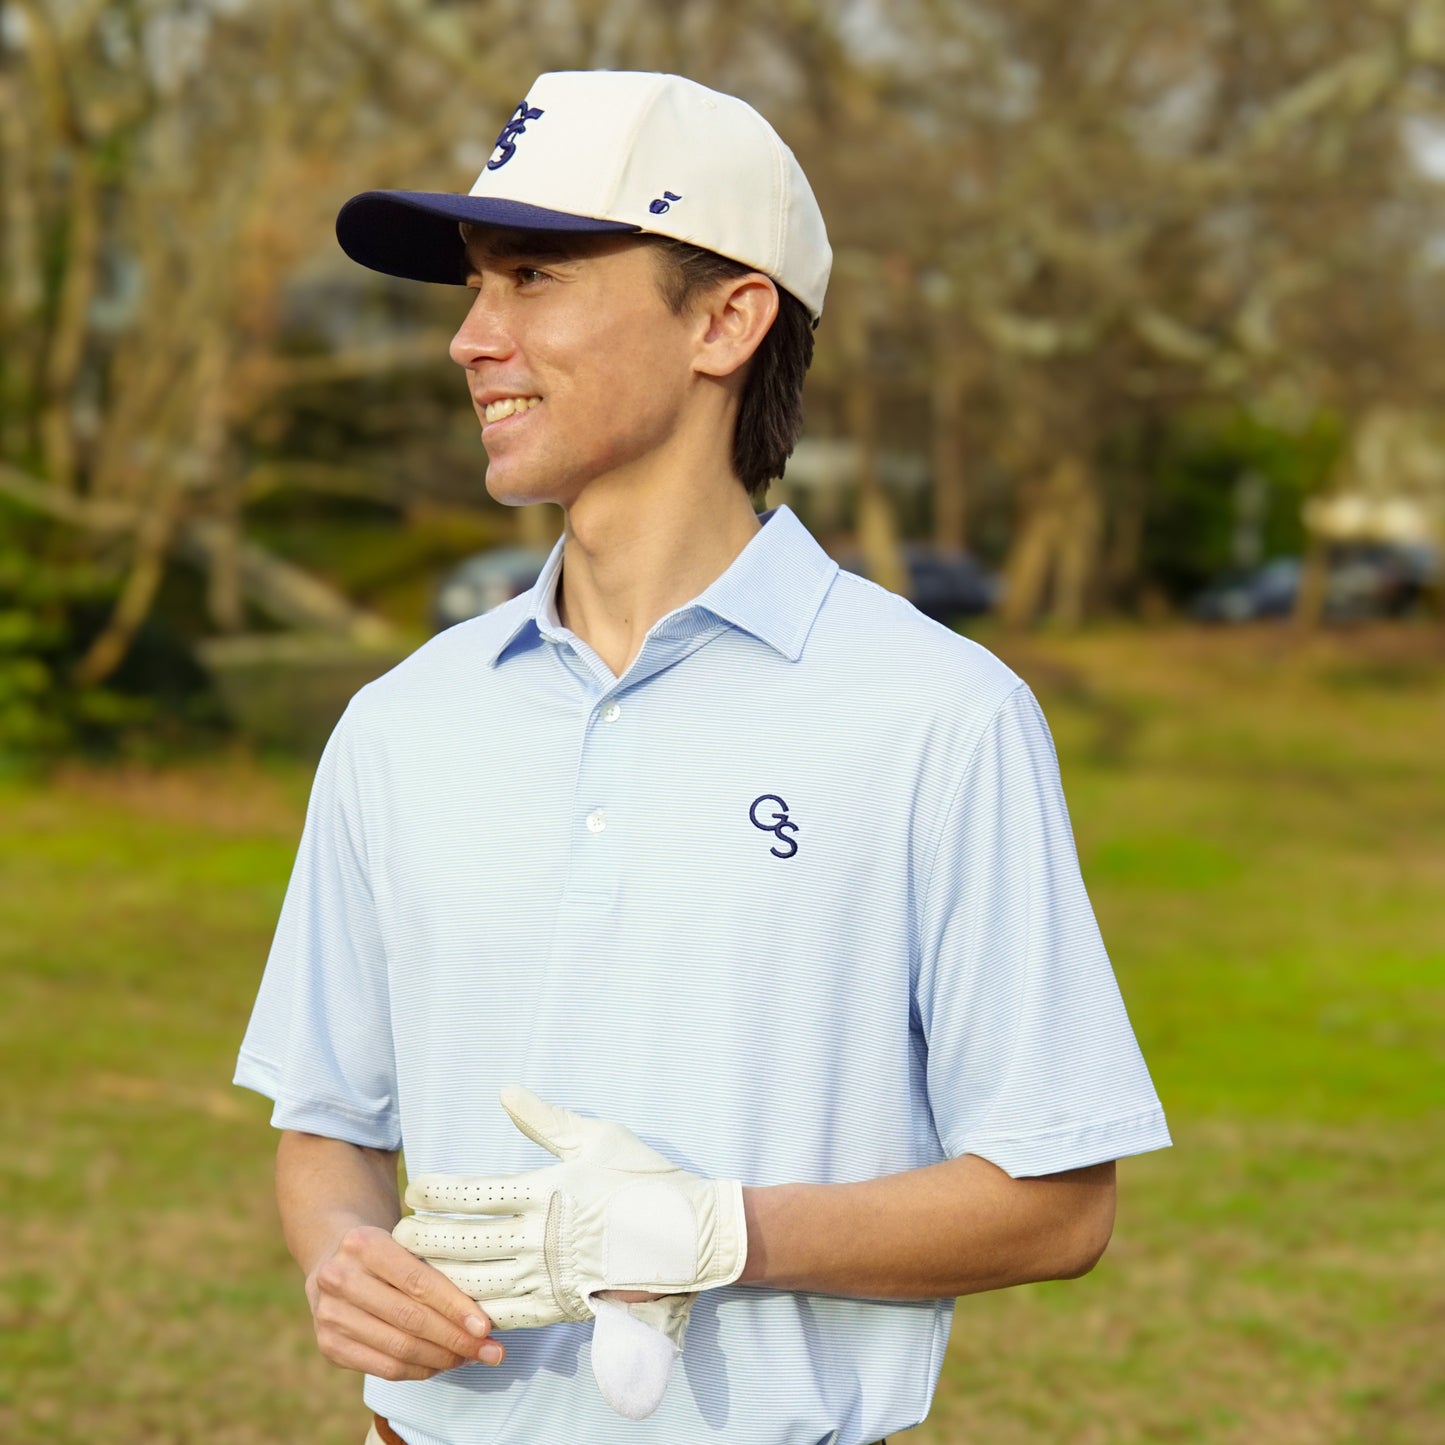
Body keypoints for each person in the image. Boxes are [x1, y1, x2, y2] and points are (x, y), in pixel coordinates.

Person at [235, 69, 1171, 1445]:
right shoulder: (399, 722)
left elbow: (1059, 1202)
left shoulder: (939, 716)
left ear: (726, 319)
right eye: (473, 289)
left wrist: (716, 1231)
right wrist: (343, 1260)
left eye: (534, 278)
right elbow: (326, 1130)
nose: (471, 340)